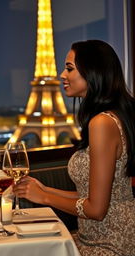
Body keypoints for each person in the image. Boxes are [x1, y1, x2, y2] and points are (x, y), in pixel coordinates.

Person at [13, 40, 135, 255]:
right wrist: (44, 189)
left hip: (111, 242)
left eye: (69, 68)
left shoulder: (102, 123)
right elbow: (93, 196)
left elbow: (96, 209)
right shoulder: (113, 117)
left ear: (93, 72)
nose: (62, 75)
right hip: (99, 235)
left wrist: (44, 198)